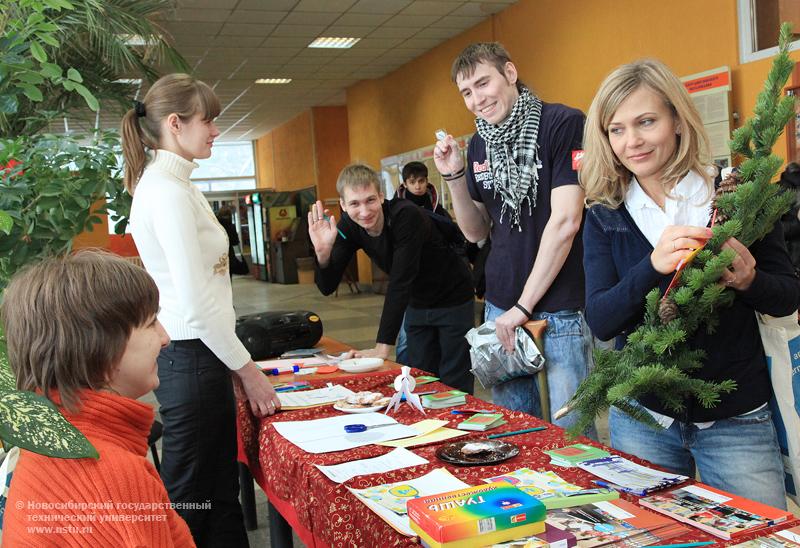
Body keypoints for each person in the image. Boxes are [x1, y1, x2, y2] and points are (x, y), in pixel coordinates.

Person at [580, 58, 797, 508]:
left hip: (736, 420)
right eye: (615, 129)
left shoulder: (736, 197)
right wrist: (652, 265)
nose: (631, 141)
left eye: (646, 122)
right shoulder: (606, 214)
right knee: (645, 535)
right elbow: (602, 319)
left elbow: (787, 296)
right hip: (643, 416)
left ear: (677, 120)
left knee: (761, 536)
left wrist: (750, 280)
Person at [121, 73, 278, 546]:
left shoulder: (178, 185)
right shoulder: (166, 191)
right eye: (208, 121)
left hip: (201, 355)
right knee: (192, 498)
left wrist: (229, 363)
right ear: (174, 123)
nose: (215, 132)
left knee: (218, 491)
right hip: (190, 356)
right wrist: (247, 370)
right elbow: (194, 300)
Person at [433, 42, 592, 430]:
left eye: (483, 83)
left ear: (510, 73)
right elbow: (475, 232)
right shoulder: (479, 144)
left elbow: (567, 221)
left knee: (571, 436)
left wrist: (524, 307)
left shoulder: (563, 123)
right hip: (501, 308)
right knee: (516, 432)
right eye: (466, 92)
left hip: (560, 308)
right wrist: (453, 175)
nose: (476, 100)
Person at [3, 250, 195, 547]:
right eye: (151, 323)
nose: (165, 337)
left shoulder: (51, 440)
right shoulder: (109, 474)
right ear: (100, 347)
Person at [309, 163, 475, 394]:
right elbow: (327, 287)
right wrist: (323, 253)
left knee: (454, 379)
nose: (364, 212)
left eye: (370, 200)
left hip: (453, 295)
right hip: (417, 302)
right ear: (343, 205)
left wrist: (382, 347)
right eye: (354, 204)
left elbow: (400, 279)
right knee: (420, 377)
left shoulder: (406, 215)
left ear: (381, 196)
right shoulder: (348, 225)